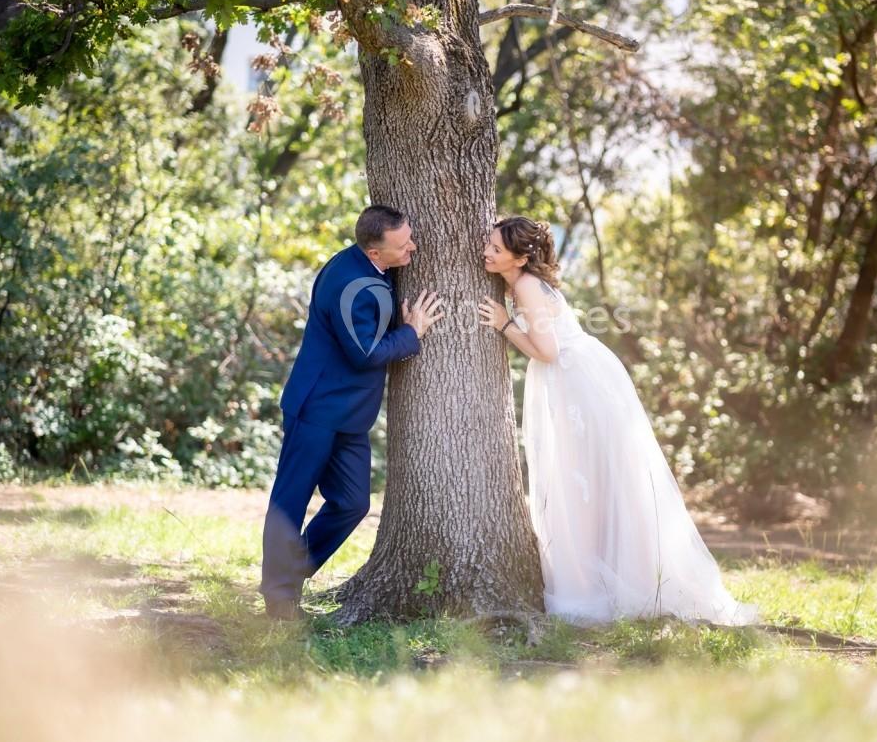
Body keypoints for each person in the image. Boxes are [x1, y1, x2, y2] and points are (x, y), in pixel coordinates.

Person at [478, 216, 758, 626]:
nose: (486, 251)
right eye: (489, 243)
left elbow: (548, 351)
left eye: (496, 249)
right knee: (587, 482)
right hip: (579, 378)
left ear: (520, 258)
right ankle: (604, 577)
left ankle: (601, 587)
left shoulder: (524, 287)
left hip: (577, 384)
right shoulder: (521, 282)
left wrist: (504, 325)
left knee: (582, 482)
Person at [261, 204, 445, 620]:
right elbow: (365, 354)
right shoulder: (350, 284)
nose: (413, 247)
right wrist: (411, 332)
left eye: (409, 237)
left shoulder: (372, 266)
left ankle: (291, 572)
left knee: (352, 502)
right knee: (290, 501)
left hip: (350, 414)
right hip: (317, 406)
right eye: (403, 245)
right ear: (374, 252)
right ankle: (278, 596)